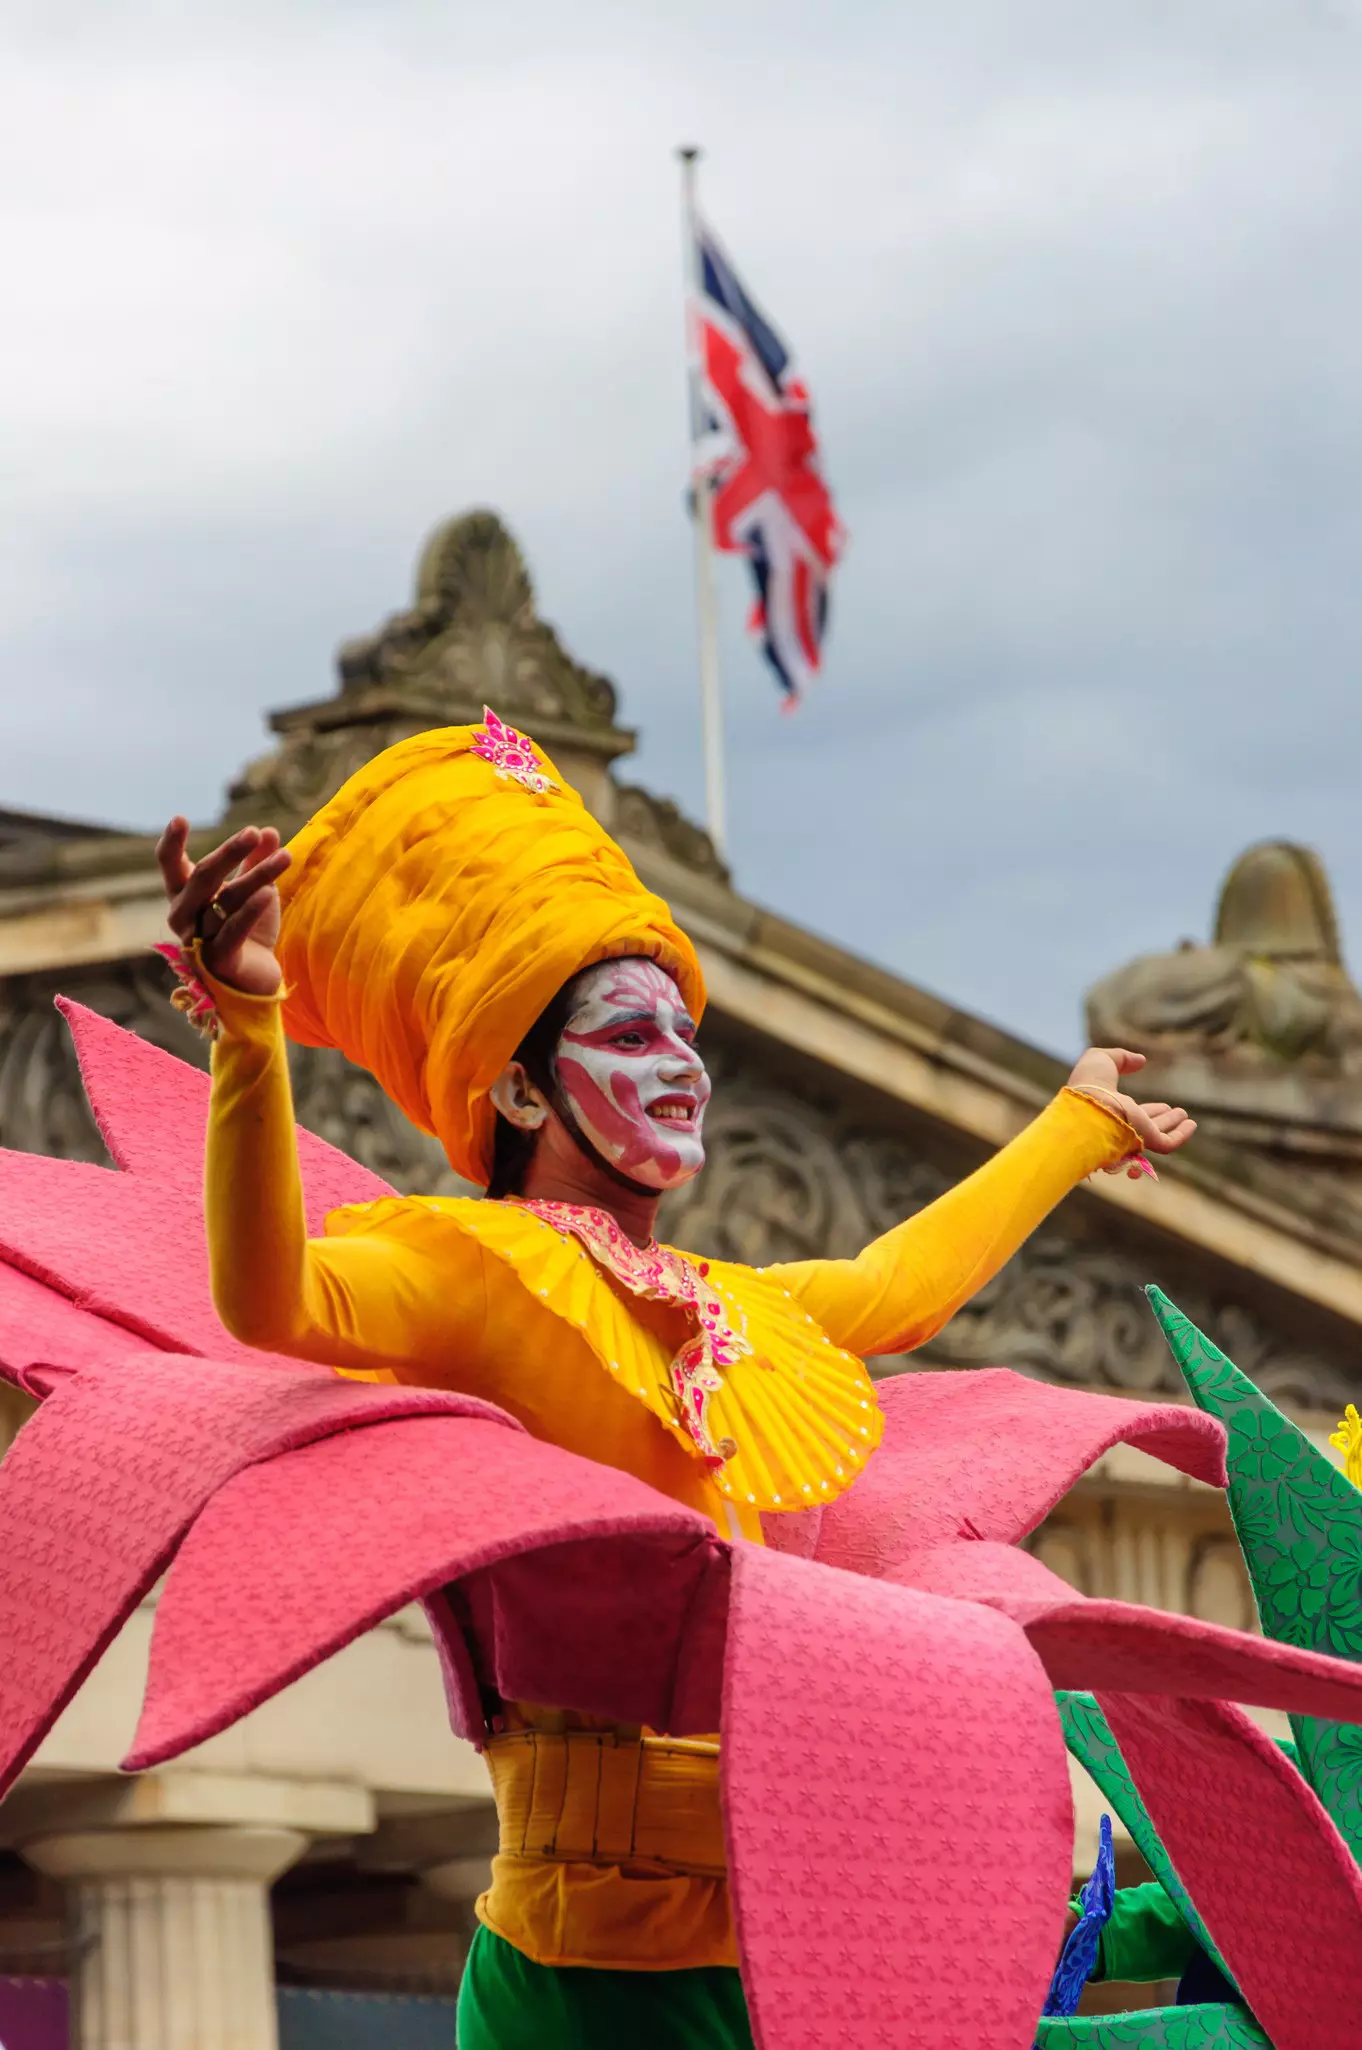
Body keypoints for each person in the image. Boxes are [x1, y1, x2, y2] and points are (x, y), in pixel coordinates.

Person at [154, 715, 1196, 2050]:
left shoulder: (731, 1309)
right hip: (577, 1972)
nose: (682, 1063)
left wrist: (1074, 1122)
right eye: (632, 1033)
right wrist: (250, 1028)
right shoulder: (480, 1271)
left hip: (768, 1936)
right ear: (522, 1096)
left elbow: (893, 1291)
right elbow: (273, 1298)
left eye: (686, 1032)